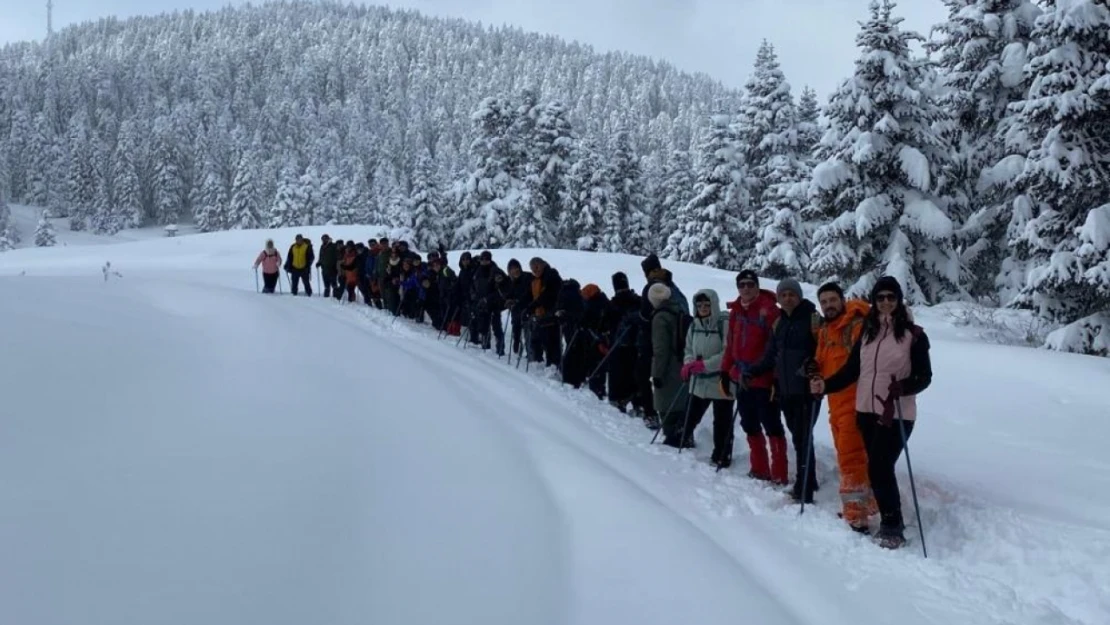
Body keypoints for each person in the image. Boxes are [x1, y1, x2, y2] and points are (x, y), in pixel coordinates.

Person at [811, 276, 933, 549]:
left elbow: (925, 376)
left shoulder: (914, 335)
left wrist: (904, 386)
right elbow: (851, 370)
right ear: (874, 301)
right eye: (881, 298)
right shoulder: (868, 332)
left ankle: (892, 524)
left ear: (898, 300)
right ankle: (879, 507)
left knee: (880, 465)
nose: (886, 302)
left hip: (896, 413)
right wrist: (825, 386)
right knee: (874, 465)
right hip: (865, 410)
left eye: (891, 297)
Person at [748, 278, 821, 502]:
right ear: (778, 298)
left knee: (802, 437)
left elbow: (824, 350)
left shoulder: (813, 319)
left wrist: (815, 366)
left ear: (799, 296)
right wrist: (754, 370)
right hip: (786, 390)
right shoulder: (779, 323)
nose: (788, 298)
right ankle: (810, 479)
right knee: (799, 435)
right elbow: (771, 354)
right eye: (783, 295)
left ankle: (804, 487)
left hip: (808, 389)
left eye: (792, 294)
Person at [813, 282, 874, 533]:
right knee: (851, 457)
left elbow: (859, 366)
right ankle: (869, 502)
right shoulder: (826, 331)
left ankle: (855, 516)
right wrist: (811, 368)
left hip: (855, 404)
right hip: (834, 404)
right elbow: (820, 361)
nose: (828, 305)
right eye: (824, 302)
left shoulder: (856, 326)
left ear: (842, 299)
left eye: (832, 300)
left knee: (851, 460)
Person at [719, 270, 787, 483]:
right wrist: (724, 370)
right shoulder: (736, 312)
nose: (746, 288)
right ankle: (759, 468)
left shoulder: (769, 311)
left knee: (772, 425)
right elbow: (731, 344)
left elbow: (777, 349)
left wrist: (776, 377)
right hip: (742, 377)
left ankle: (779, 473)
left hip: (764, 378)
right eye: (742, 285)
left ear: (757, 286)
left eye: (750, 284)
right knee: (749, 424)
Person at [680, 289, 734, 467]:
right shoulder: (695, 324)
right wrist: (688, 363)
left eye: (707, 304)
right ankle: (681, 440)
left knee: (722, 422)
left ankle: (722, 455)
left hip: (721, 379)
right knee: (690, 414)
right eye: (699, 304)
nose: (703, 308)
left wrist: (706, 365)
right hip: (699, 380)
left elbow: (728, 352)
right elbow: (688, 348)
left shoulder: (723, 323)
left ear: (714, 304)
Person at [637, 254, 688, 429]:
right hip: (677, 342)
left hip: (655, 339)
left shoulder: (652, 288)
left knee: (647, 375)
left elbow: (644, 317)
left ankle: (652, 413)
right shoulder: (672, 285)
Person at [649, 282, 690, 445]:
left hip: (668, 368)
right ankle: (683, 436)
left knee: (666, 406)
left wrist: (657, 374)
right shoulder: (677, 310)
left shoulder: (660, 317)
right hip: (682, 364)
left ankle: (673, 441)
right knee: (680, 404)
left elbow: (661, 349)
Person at [605, 272, 643, 415]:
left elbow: (607, 324)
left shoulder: (613, 304)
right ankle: (639, 403)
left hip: (618, 345)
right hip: (637, 344)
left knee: (618, 374)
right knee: (636, 375)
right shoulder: (638, 300)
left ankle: (618, 402)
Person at [525, 257, 563, 367]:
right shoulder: (537, 279)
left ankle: (554, 365)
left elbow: (548, 294)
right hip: (541, 314)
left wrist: (533, 305)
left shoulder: (551, 275)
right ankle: (543, 363)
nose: (535, 270)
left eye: (536, 267)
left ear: (543, 264)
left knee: (552, 342)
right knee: (541, 339)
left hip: (552, 313)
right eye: (532, 269)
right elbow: (529, 295)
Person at [470, 251, 507, 354]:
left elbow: (501, 288)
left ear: (490, 259)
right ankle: (485, 346)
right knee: (484, 326)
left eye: (487, 259)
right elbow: (473, 285)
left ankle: (500, 349)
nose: (484, 261)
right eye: (482, 259)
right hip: (482, 303)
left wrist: (488, 298)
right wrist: (473, 295)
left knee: (496, 327)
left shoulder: (496, 271)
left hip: (494, 304)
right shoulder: (478, 271)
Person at [498, 259, 534, 357]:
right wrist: (508, 299)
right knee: (516, 332)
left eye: (516, 268)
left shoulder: (528, 277)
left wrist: (516, 301)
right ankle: (518, 350)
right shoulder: (511, 281)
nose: (515, 271)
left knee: (528, 333)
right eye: (512, 269)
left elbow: (529, 294)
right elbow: (508, 295)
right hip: (516, 311)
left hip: (528, 310)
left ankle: (531, 354)